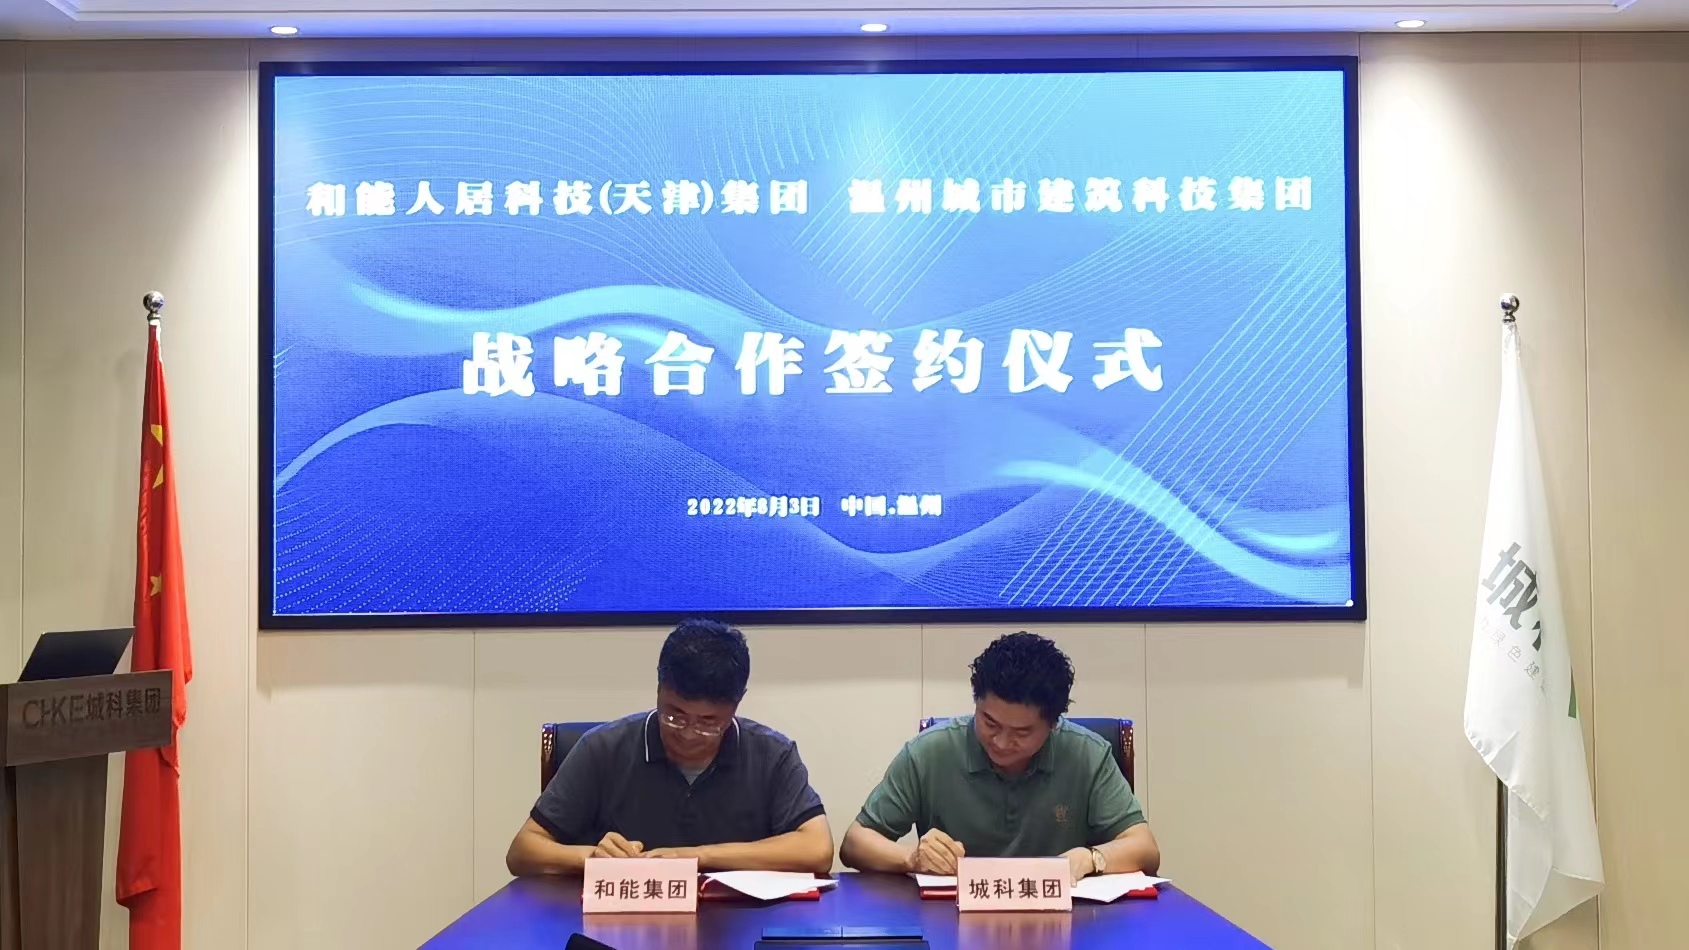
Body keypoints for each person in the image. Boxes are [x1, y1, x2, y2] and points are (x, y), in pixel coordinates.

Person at [505, 619, 833, 876]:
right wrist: (593, 856)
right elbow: (523, 851)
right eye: (674, 716)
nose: (689, 734)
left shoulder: (772, 754)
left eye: (708, 722)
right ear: (659, 689)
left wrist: (696, 857)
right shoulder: (603, 748)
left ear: (737, 704)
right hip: (622, 929)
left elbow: (817, 850)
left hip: (734, 925)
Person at [841, 631, 1158, 882]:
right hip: (952, 923)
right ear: (976, 703)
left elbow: (1144, 848)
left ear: (1053, 723)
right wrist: (911, 857)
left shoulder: (1087, 755)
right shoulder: (930, 752)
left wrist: (1091, 859)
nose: (1002, 742)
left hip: (1064, 925)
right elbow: (855, 843)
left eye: (1022, 732)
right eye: (990, 723)